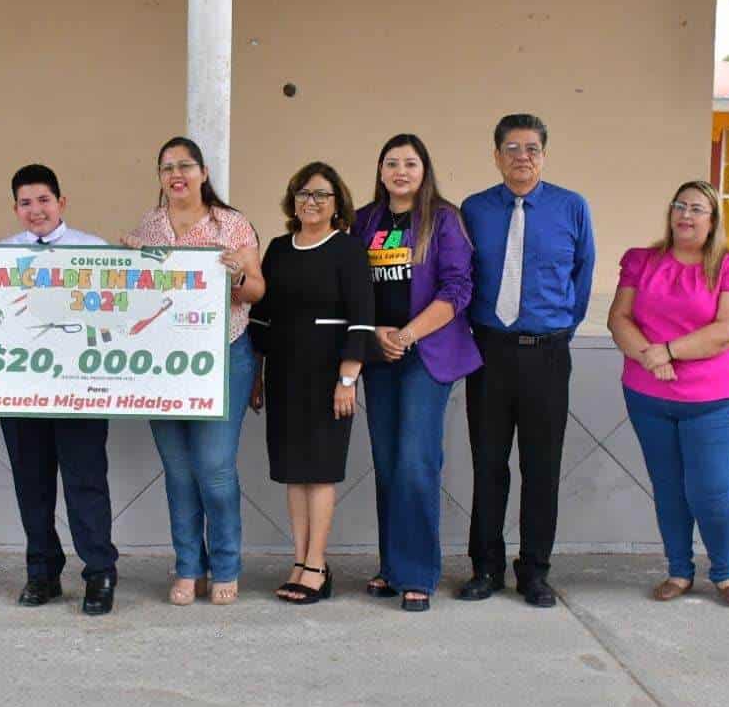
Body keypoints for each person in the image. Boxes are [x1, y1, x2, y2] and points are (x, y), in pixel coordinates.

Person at [0, 164, 120, 614]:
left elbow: (118, 311)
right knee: (33, 485)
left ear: (61, 202)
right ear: (15, 208)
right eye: (25, 203)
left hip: (80, 393)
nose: (36, 210)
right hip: (22, 391)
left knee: (86, 483)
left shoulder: (94, 250)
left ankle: (99, 573)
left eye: (43, 200)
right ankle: (42, 573)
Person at [457, 113, 595, 608]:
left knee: (543, 468)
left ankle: (534, 570)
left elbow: (582, 280)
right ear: (495, 155)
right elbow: (461, 277)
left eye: (532, 148)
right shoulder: (473, 210)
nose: (522, 157)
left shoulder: (571, 207)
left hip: (547, 355)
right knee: (488, 464)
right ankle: (485, 567)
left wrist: (556, 331)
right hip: (488, 352)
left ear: (544, 155)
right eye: (512, 148)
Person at [120, 137, 264, 607]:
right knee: (178, 472)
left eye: (185, 165)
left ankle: (225, 565)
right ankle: (188, 565)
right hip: (163, 364)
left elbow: (258, 290)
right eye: (167, 168)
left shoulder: (233, 224)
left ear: (203, 173)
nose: (176, 174)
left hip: (223, 355)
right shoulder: (150, 224)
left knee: (215, 468)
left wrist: (234, 278)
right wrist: (127, 263)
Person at [608, 181, 729, 607]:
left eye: (696, 209)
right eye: (679, 206)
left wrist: (669, 351)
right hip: (647, 394)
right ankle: (679, 570)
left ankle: (725, 574)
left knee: (709, 488)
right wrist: (651, 359)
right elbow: (618, 317)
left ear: (713, 222)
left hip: (712, 399)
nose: (685, 216)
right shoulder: (642, 261)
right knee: (668, 486)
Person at [350, 134, 482, 612]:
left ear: (424, 169)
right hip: (378, 355)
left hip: (426, 355)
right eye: (391, 163)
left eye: (410, 163)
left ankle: (419, 573)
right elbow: (352, 287)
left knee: (415, 461)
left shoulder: (444, 219)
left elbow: (457, 289)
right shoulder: (364, 221)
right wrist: (377, 333)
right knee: (387, 461)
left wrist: (406, 335)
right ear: (380, 170)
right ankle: (392, 567)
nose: (400, 171)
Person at [249, 162, 373, 604]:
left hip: (328, 378)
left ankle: (317, 564)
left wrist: (347, 379)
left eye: (321, 194)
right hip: (283, 374)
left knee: (319, 473)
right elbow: (262, 318)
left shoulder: (348, 250)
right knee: (293, 475)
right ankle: (298, 560)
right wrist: (256, 374)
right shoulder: (280, 249)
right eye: (303, 193)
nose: (311, 201)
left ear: (337, 203)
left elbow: (361, 320)